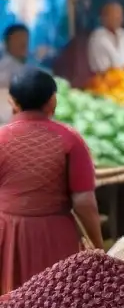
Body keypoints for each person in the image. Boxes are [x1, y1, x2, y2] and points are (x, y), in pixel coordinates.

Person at [0, 69, 103, 295]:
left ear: (12, 103)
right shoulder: (70, 140)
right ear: (52, 101)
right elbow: (85, 202)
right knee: (54, 307)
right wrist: (98, 244)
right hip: (56, 237)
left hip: (7, 235)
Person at [87, 1, 124, 73]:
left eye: (119, 15)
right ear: (103, 18)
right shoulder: (97, 38)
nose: (117, 18)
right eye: (112, 15)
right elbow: (106, 70)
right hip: (105, 80)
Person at [0, 24, 31, 89]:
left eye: (26, 38)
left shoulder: (27, 65)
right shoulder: (4, 69)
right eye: (18, 38)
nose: (23, 42)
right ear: (7, 42)